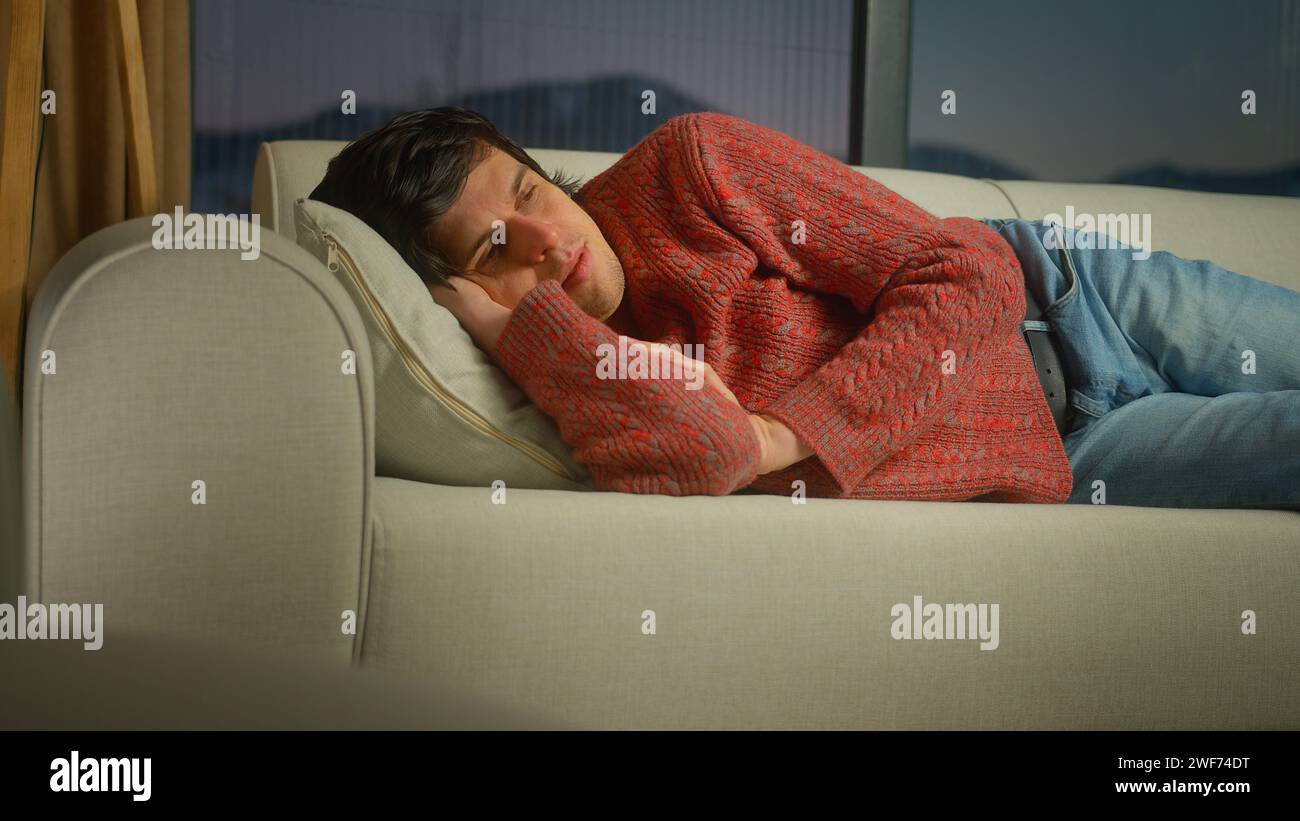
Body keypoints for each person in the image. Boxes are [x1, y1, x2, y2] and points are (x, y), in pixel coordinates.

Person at [309, 107, 1299, 510]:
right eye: (492, 251)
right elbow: (705, 454)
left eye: (528, 197)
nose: (544, 242)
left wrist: (788, 430)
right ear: (455, 297)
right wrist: (529, 328)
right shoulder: (586, 375)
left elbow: (969, 275)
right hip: (1067, 449)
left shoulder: (688, 169)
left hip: (1079, 299)